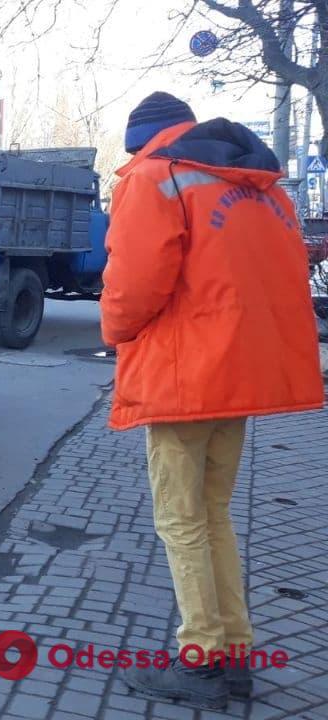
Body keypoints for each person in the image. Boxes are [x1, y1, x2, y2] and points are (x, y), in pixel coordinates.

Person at [103, 92, 323, 709]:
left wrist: (113, 331)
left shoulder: (157, 177)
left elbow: (133, 285)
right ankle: (233, 653)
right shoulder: (262, 189)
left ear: (140, 139)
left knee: (180, 521)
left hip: (183, 380)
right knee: (213, 515)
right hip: (239, 378)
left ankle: (199, 661)